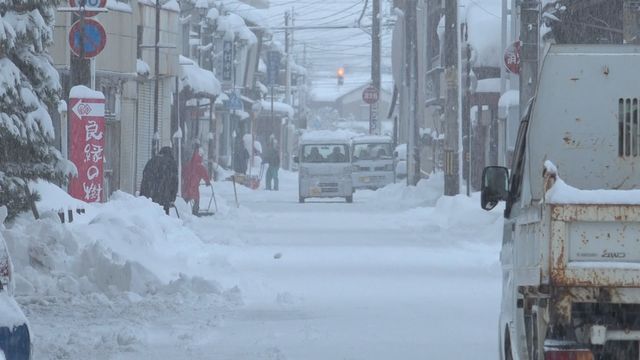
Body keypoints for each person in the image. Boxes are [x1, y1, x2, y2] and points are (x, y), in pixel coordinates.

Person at [140, 146, 178, 215]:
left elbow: (145, 179)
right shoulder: (171, 163)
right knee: (162, 220)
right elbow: (174, 183)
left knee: (149, 218)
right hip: (163, 197)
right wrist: (172, 198)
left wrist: (142, 196)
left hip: (149, 197)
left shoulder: (151, 161)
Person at [182, 145, 211, 215]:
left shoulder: (188, 165)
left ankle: (182, 210)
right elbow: (205, 174)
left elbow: (183, 173)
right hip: (194, 185)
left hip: (187, 184)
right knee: (196, 198)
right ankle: (195, 211)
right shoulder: (200, 166)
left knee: (186, 197)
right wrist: (207, 182)